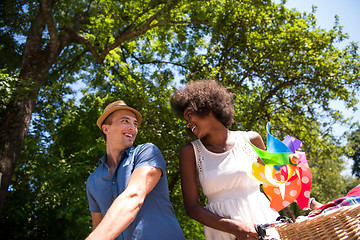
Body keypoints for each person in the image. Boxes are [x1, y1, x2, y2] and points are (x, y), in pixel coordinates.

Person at [170, 80, 279, 240]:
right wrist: (235, 228)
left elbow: (275, 186)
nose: (187, 124)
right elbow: (192, 207)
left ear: (206, 107)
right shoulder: (190, 152)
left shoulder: (252, 139)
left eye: (189, 115)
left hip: (264, 223)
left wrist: (310, 204)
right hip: (222, 233)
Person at [86, 100, 185, 240]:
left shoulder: (147, 152)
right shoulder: (93, 181)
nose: (132, 127)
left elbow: (134, 196)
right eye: (125, 121)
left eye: (135, 123)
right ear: (106, 129)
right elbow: (98, 227)